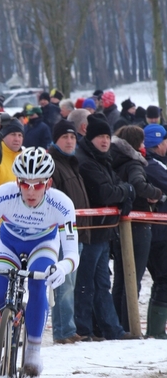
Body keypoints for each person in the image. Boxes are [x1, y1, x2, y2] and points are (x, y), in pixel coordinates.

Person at [0, 147, 79, 378]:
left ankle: (33, 349)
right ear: (16, 181)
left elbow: (72, 253)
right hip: (8, 245)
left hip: (43, 246)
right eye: (24, 183)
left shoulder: (61, 204)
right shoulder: (2, 196)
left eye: (38, 184)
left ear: (49, 183)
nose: (31, 191)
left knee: (37, 280)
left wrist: (62, 268)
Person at [74, 113, 137, 341]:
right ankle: (84, 329)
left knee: (101, 283)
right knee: (85, 284)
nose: (104, 141)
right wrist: (126, 192)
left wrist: (125, 192)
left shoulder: (103, 158)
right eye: (100, 136)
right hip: (89, 232)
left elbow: (116, 186)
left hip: (102, 231)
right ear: (90, 138)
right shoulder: (86, 160)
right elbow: (105, 192)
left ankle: (112, 330)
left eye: (107, 136)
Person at [110, 125, 162, 331]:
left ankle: (117, 324)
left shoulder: (113, 160)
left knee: (121, 279)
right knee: (134, 278)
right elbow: (139, 185)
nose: (143, 147)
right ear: (135, 144)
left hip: (118, 224)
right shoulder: (134, 163)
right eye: (141, 142)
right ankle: (129, 325)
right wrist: (155, 193)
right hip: (138, 225)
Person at [48, 120, 91, 344]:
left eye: (73, 137)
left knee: (70, 284)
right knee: (63, 285)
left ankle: (67, 328)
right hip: (60, 233)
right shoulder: (52, 163)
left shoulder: (71, 162)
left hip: (76, 231)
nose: (70, 141)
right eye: (65, 137)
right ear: (56, 140)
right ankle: (64, 331)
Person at [143, 124, 167, 338]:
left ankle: (157, 329)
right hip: (159, 232)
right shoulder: (152, 166)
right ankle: (156, 331)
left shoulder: (157, 164)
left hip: (159, 230)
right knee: (163, 278)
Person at [0, 117, 24, 195]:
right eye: (13, 134)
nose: (17, 139)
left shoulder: (24, 158)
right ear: (3, 136)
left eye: (20, 135)